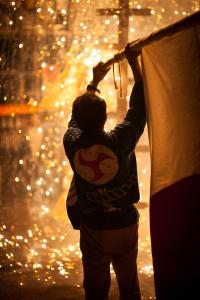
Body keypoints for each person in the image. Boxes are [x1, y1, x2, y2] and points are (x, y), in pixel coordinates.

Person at [63, 44, 146, 300]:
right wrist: (134, 62)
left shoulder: (72, 142)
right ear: (104, 117)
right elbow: (139, 109)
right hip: (124, 224)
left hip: (94, 226)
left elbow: (76, 118)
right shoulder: (120, 141)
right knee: (129, 288)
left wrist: (94, 81)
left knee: (95, 290)